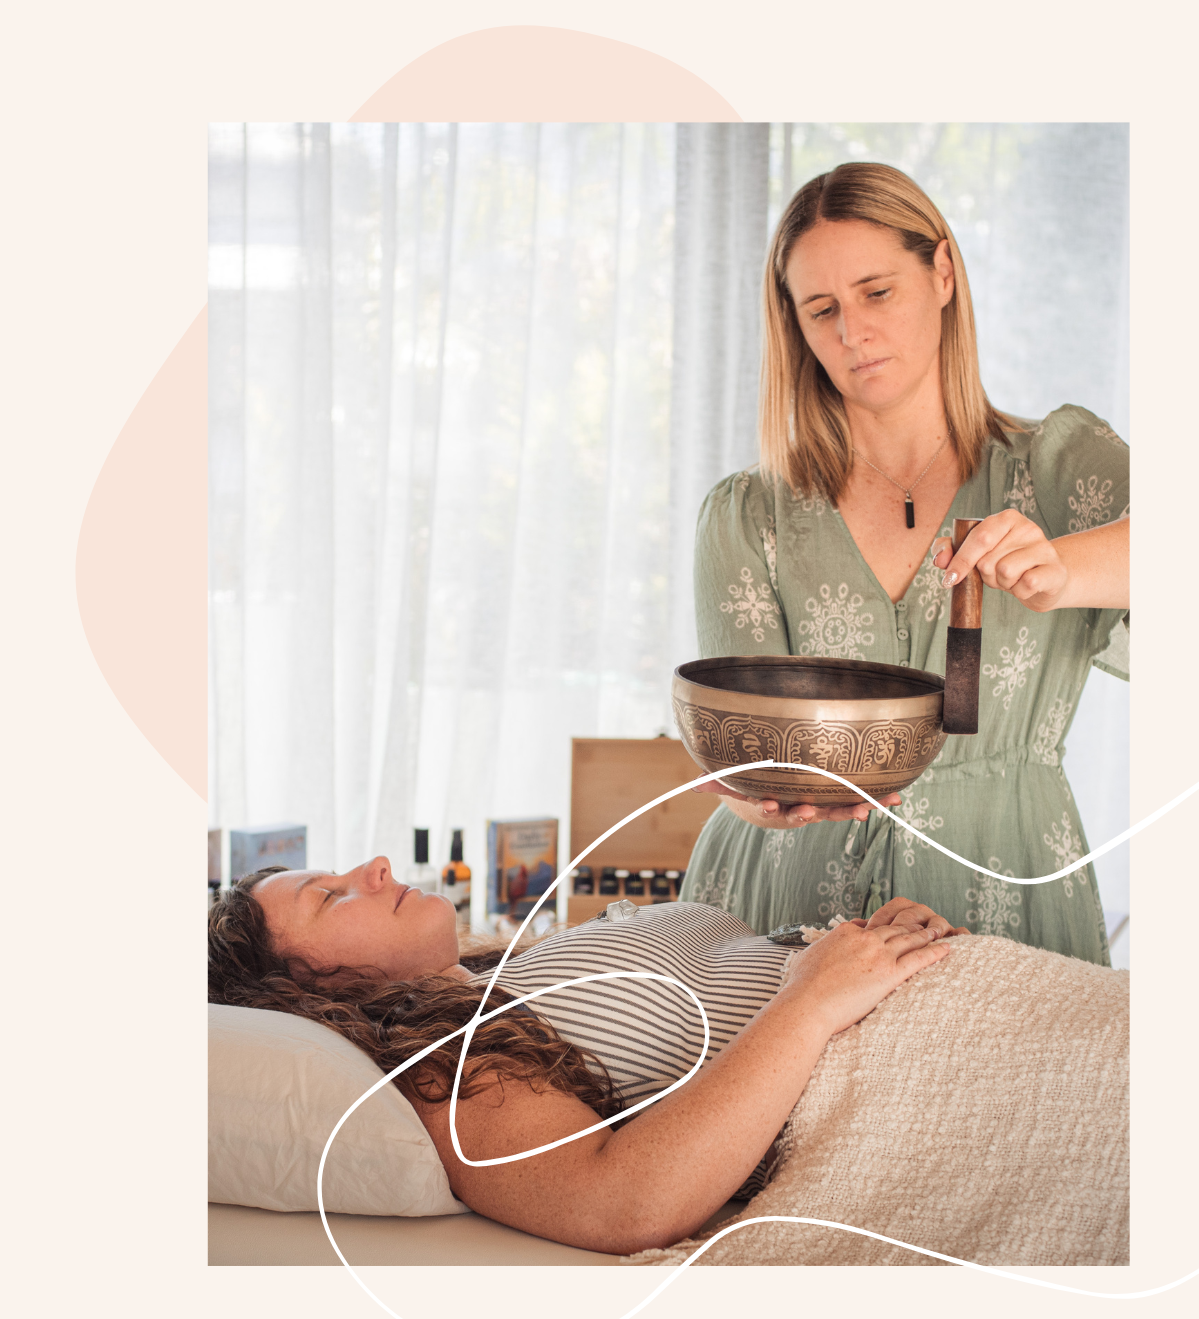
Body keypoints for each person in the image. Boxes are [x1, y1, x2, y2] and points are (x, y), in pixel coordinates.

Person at [683, 162, 1129, 963]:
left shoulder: (1063, 472)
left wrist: (1064, 565)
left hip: (1008, 885)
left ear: (944, 272)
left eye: (876, 292)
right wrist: (756, 799)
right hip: (780, 908)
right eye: (822, 310)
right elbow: (746, 752)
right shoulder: (749, 514)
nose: (853, 332)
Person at [208, 856, 963, 1254]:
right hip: (928, 1081)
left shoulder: (498, 976)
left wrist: (859, 950)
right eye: (332, 897)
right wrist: (811, 999)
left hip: (948, 1002)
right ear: (302, 994)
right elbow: (622, 1204)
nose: (372, 867)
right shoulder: (448, 1065)